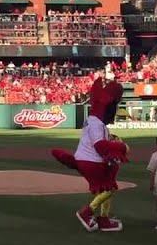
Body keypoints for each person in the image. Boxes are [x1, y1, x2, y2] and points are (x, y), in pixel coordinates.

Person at [50, 71, 129, 232]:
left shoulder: (96, 121)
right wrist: (120, 147)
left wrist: (112, 139)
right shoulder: (95, 122)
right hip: (90, 162)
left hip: (89, 160)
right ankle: (86, 212)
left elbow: (100, 140)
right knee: (110, 188)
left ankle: (104, 218)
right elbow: (100, 145)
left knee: (108, 187)